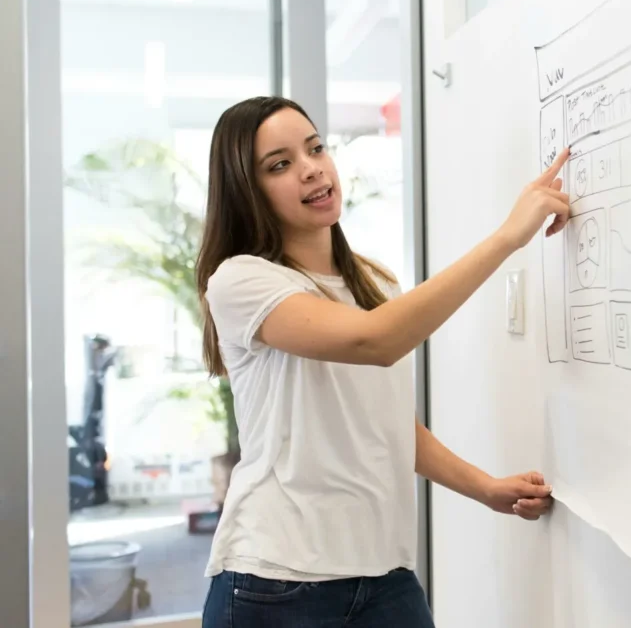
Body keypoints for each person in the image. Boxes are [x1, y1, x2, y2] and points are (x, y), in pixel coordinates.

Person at [196, 96, 570, 628]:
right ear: (247, 191)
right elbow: (377, 342)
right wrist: (509, 237)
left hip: (384, 575)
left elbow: (385, 424)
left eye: (315, 148)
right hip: (276, 580)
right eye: (279, 165)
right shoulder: (241, 281)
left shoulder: (373, 284)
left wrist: (484, 488)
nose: (311, 169)